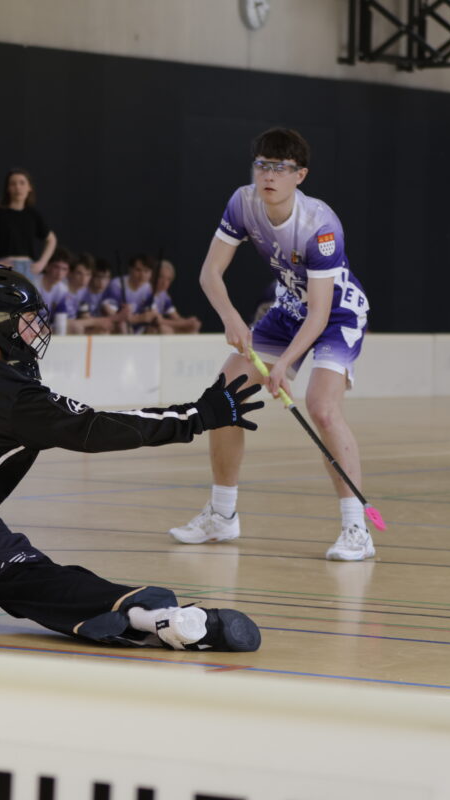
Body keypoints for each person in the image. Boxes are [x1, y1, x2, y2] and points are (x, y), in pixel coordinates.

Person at [0, 265, 264, 652]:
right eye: (28, 321)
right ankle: (153, 616)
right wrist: (196, 416)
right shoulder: (13, 392)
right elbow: (96, 428)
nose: (37, 331)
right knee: (31, 579)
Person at [169, 127, 373, 561]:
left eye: (280, 168)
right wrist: (232, 318)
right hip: (287, 309)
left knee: (321, 406)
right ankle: (222, 516)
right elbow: (210, 273)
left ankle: (357, 528)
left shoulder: (320, 225)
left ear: (300, 175)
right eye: (262, 164)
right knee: (225, 396)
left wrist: (284, 366)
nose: (268, 175)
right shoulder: (243, 202)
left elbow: (320, 313)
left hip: (336, 313)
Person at [0, 168, 58, 276]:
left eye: (22, 183)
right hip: (4, 267)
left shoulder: (33, 214)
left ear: (29, 187)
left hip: (28, 268)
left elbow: (51, 239)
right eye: (13, 184)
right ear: (8, 188)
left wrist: (42, 263)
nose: (18, 187)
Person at [145, 260, 202, 334]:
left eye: (168, 279)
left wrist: (190, 323)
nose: (164, 282)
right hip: (142, 330)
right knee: (164, 329)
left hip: (156, 327)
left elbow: (176, 317)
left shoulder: (164, 295)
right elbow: (156, 321)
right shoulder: (146, 292)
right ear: (153, 276)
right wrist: (186, 323)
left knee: (192, 331)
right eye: (161, 277)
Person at [104, 254, 155, 333]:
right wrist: (128, 318)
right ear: (130, 269)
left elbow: (150, 315)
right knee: (122, 325)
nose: (142, 275)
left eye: (146, 271)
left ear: (151, 273)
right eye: (138, 270)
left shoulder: (148, 288)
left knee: (155, 329)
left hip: (138, 326)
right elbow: (110, 311)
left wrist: (132, 319)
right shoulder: (117, 284)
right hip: (119, 326)